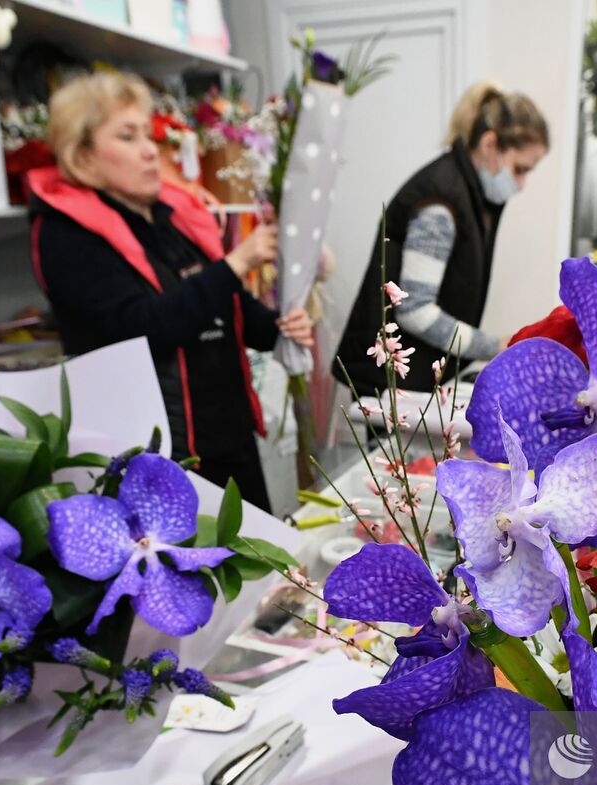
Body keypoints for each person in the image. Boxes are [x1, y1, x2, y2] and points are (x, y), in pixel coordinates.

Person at [28, 72, 313, 512]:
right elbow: (140, 326)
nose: (149, 151)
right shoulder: (65, 235)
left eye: (148, 135)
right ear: (81, 155)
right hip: (157, 458)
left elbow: (229, 312)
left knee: (262, 574)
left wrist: (280, 327)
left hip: (229, 438)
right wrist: (236, 264)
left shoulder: (173, 217)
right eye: (127, 136)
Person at [335, 82, 549, 397]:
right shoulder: (442, 201)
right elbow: (414, 309)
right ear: (490, 145)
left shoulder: (471, 195)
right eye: (519, 169)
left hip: (418, 378)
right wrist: (493, 346)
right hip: (393, 386)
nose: (522, 184)